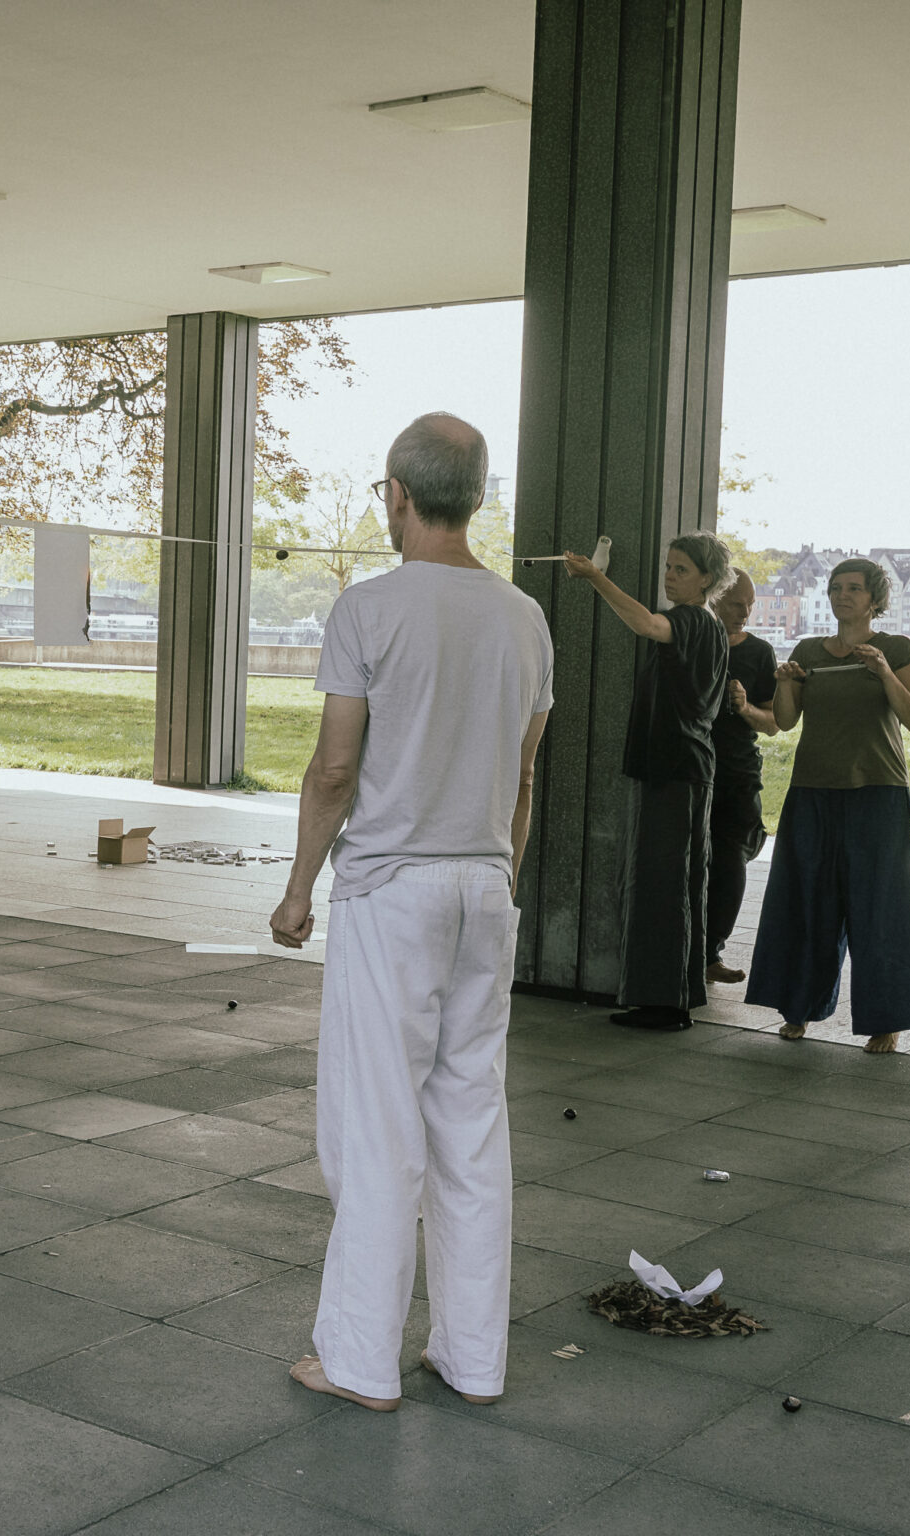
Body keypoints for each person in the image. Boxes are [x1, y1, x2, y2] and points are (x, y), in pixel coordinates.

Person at [270, 413, 551, 1413]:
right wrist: (501, 882)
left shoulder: (369, 609)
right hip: (484, 885)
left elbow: (335, 768)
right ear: (475, 495)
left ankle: (356, 1361)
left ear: (397, 493)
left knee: (377, 1126)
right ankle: (473, 1361)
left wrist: (300, 886)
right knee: (470, 1124)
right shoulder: (526, 617)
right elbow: (523, 775)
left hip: (393, 894)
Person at [747, 558, 910, 1053]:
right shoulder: (808, 651)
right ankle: (798, 1010)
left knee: (880, 909)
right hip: (812, 792)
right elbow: (785, 721)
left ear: (874, 598)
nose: (842, 595)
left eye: (853, 588)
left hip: (878, 793)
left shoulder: (897, 649)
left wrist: (884, 673)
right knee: (806, 903)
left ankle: (885, 1020)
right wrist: (786, 682)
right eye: (836, 587)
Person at [563, 532, 732, 1030]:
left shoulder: (691, 621)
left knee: (662, 885)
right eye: (669, 567)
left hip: (673, 769)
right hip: (680, 768)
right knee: (674, 883)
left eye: (681, 569)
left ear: (706, 579)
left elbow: (645, 623)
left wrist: (597, 578)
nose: (670, 576)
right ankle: (671, 997)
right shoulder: (708, 626)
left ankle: (665, 1003)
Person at [706, 571, 780, 984]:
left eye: (750, 604)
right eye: (737, 603)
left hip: (737, 773)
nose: (745, 612)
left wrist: (745, 707)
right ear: (714, 598)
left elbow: (773, 723)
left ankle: (711, 950)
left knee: (732, 858)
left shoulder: (760, 653)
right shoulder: (696, 639)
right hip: (691, 771)